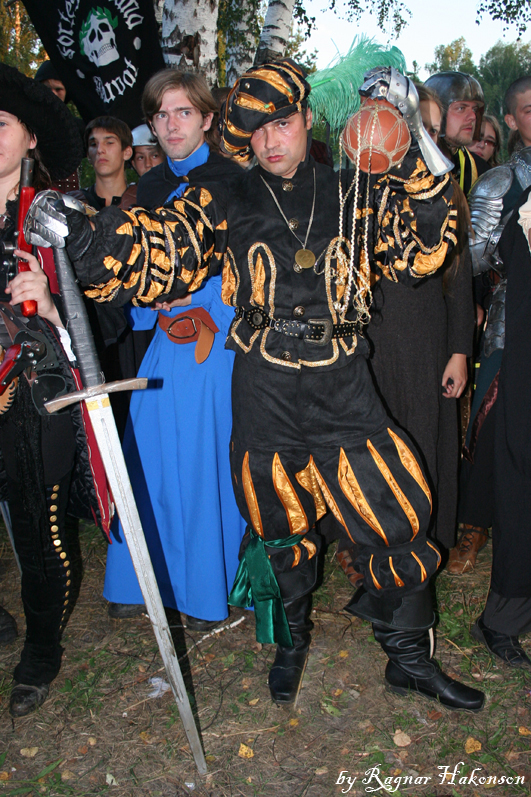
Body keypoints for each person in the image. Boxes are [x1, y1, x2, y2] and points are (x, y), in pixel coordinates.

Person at [29, 59, 485, 712]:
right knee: (277, 523)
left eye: (282, 122)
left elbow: (423, 250)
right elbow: (160, 250)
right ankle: (289, 643)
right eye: (255, 128)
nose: (270, 139)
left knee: (394, 509)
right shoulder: (222, 195)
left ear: (307, 119)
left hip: (340, 379)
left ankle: (409, 659)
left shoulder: (351, 191)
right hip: (263, 382)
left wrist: (410, 138)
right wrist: (82, 234)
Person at [103, 69, 247, 631]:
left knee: (203, 463)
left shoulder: (235, 181)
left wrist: (202, 299)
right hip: (164, 342)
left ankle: (208, 587)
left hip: (217, 343)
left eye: (183, 112)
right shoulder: (152, 187)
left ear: (207, 118)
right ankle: (146, 579)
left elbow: (253, 271)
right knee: (150, 454)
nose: (170, 125)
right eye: (161, 115)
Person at [0, 63, 111, 717]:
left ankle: (41, 649)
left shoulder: (59, 217)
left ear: (31, 137)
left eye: (0, 123)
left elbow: (107, 320)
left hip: (34, 394)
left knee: (40, 534)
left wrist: (49, 304)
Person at [363, 83, 474, 551]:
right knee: (373, 439)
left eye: (431, 128)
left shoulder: (444, 193)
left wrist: (459, 352)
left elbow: (459, 279)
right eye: (414, 125)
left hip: (427, 336)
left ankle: (425, 540)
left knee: (424, 435)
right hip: (369, 339)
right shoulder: (357, 191)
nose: (422, 135)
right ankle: (372, 542)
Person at [447, 76, 531, 575]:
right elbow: (469, 255)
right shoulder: (501, 182)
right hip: (512, 316)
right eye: (530, 109)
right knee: (490, 421)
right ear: (514, 119)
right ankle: (475, 524)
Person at [470, 184, 531, 669]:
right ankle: (505, 617)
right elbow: (475, 256)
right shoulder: (522, 201)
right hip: (522, 353)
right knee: (521, 483)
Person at [424, 72, 489, 195]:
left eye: (474, 109)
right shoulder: (408, 166)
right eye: (461, 108)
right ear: (436, 112)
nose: (473, 116)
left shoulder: (481, 171)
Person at [71, 116, 133, 210]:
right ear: (88, 156)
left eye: (109, 143)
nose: (99, 150)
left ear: (127, 152)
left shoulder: (143, 202)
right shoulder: (72, 205)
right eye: (93, 144)